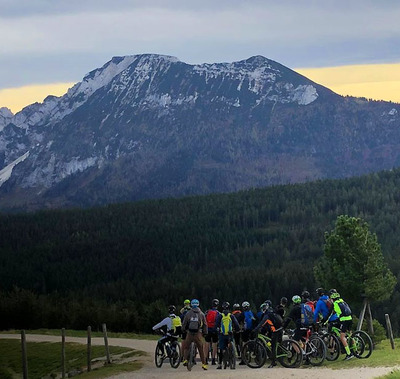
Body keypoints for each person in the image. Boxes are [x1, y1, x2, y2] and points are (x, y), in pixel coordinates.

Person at [254, 300, 283, 368]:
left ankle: (273, 362)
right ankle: (278, 358)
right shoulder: (273, 311)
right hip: (279, 328)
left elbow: (262, 323)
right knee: (275, 344)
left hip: (275, 330)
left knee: (273, 346)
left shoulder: (267, 314)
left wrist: (255, 329)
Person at [182, 299, 209, 370]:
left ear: (191, 305)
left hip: (190, 332)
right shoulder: (201, 314)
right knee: (200, 348)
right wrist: (205, 333)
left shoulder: (188, 313)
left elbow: (184, 323)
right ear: (198, 305)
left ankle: (185, 360)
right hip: (198, 333)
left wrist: (183, 329)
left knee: (186, 346)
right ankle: (204, 364)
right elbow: (205, 324)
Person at [328, 291, 354, 360]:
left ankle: (349, 354)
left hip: (344, 320)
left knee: (342, 337)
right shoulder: (343, 302)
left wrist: (324, 321)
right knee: (350, 335)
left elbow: (330, 314)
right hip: (350, 318)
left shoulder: (335, 304)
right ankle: (355, 351)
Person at [215, 302, 240, 369]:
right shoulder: (231, 315)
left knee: (221, 348)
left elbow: (216, 324)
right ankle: (231, 359)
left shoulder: (220, 316)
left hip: (222, 334)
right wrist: (237, 330)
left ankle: (220, 364)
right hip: (230, 333)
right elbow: (236, 324)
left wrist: (217, 330)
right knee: (231, 345)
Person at [204, 299, 220, 365]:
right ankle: (213, 360)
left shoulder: (207, 312)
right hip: (214, 330)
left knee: (207, 344)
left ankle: (205, 359)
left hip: (208, 329)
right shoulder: (218, 313)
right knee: (214, 344)